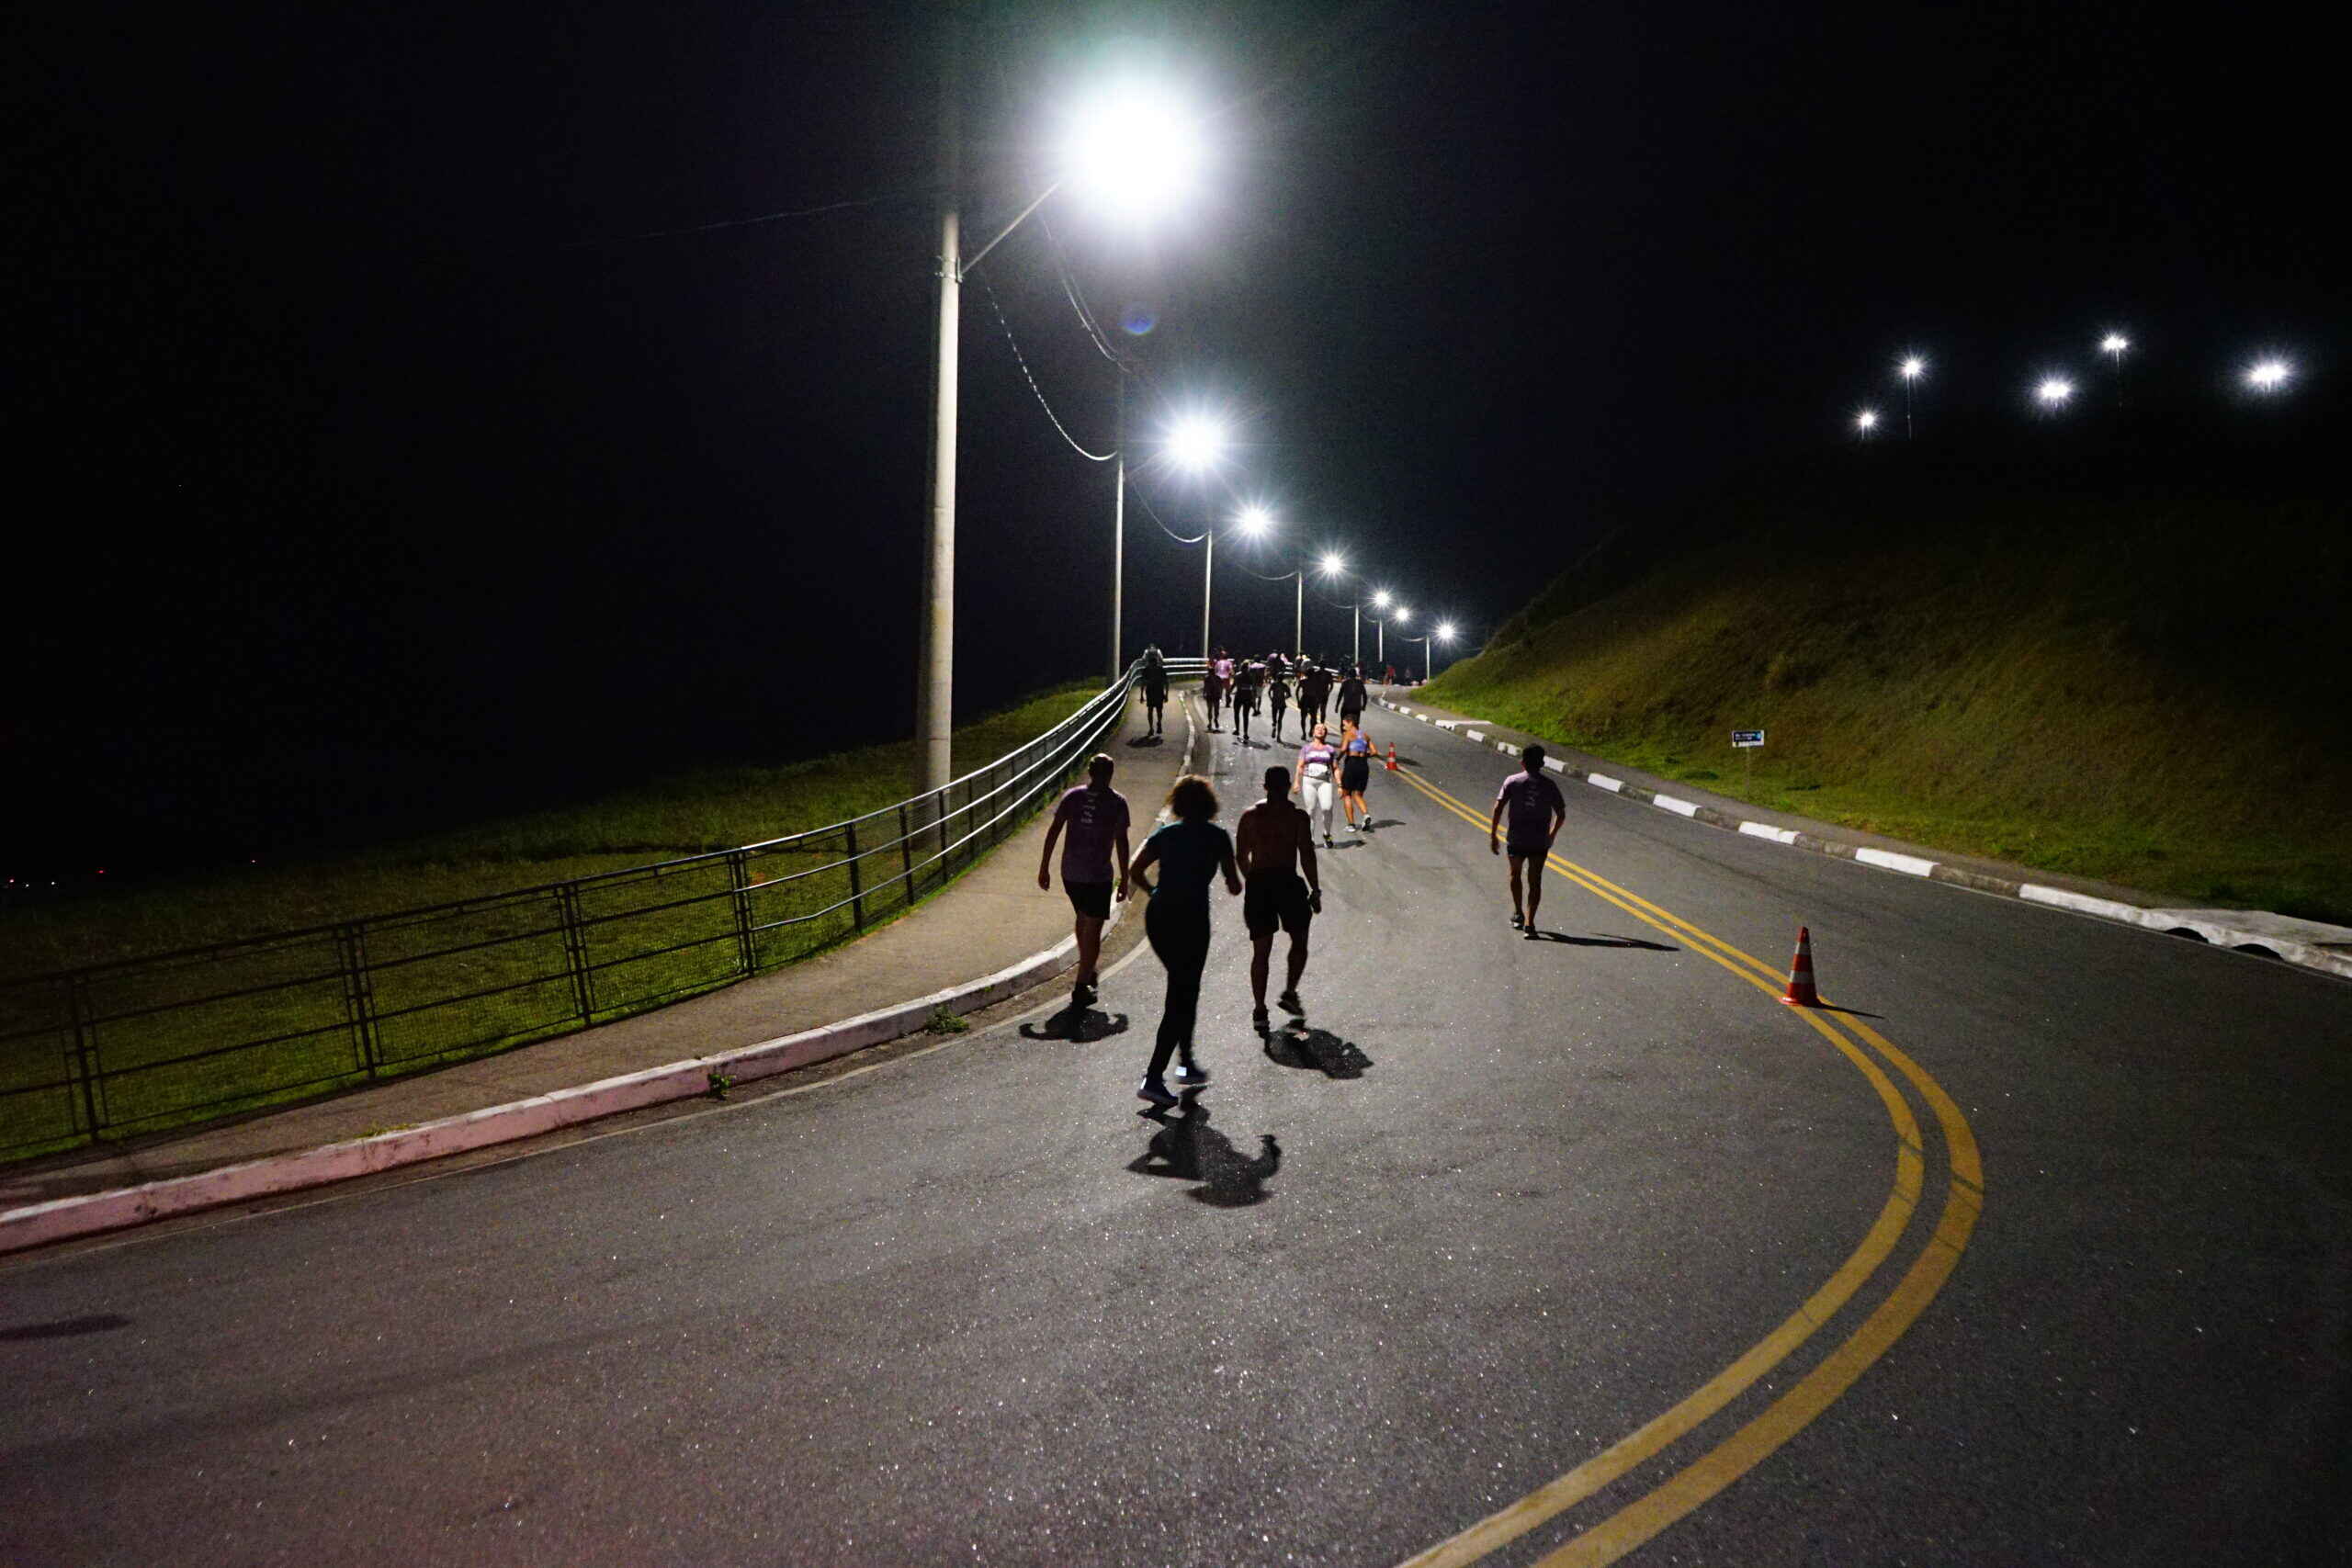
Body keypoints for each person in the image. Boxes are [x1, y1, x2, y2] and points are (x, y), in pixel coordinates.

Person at [1124, 774, 1241, 1105]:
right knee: (1182, 994)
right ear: (1209, 804)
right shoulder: (1218, 837)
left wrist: (1153, 891)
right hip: (1191, 919)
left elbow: (1134, 871)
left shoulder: (1166, 833)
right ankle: (1153, 1076)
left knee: (1184, 990)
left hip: (1160, 915)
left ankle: (1185, 1062)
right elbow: (1234, 885)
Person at [1038, 753, 1132, 1003]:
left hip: (1070, 873)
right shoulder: (1117, 802)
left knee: (1083, 919)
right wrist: (1125, 878)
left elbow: (1054, 830)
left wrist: (1044, 866)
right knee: (1093, 928)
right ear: (1110, 773)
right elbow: (1121, 842)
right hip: (1098, 875)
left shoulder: (1073, 796)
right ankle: (1082, 984)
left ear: (1090, 772)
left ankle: (1087, 967)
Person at [1235, 764, 1321, 1032]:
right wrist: (1314, 889)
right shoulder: (1297, 818)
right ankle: (1290, 991)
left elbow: (1240, 855)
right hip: (1287, 882)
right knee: (1300, 940)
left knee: (1261, 951)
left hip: (1260, 883)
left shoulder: (1250, 816)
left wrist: (1253, 879)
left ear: (1265, 786)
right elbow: (1306, 854)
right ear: (1286, 787)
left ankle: (1260, 1010)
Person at [1488, 744, 1569, 936]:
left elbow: (1499, 808)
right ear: (1542, 763)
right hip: (1539, 841)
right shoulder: (1550, 785)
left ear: (1522, 762)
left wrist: (1493, 835)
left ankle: (1518, 913)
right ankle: (1530, 924)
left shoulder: (1512, 781)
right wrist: (1551, 835)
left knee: (1515, 875)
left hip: (1516, 838)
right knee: (1535, 880)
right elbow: (1561, 814)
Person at [1294, 724, 1340, 847]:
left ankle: (1327, 834)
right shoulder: (1306, 748)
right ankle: (1310, 839)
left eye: (1323, 729)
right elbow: (1300, 766)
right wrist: (1296, 782)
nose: (1320, 730)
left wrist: (1340, 784)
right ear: (1313, 732)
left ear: (1326, 733)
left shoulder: (1330, 749)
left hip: (1325, 781)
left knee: (1327, 807)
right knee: (1310, 811)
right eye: (1317, 728)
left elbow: (1335, 768)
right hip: (1309, 781)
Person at [1339, 720, 1375, 834]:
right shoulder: (1365, 735)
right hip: (1363, 765)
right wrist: (1364, 756)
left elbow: (1344, 749)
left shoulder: (1348, 734)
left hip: (1352, 764)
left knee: (1347, 794)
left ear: (1351, 723)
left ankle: (1351, 825)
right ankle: (1366, 815)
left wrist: (1337, 758)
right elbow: (1374, 751)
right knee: (1358, 794)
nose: (1343, 726)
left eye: (1344, 724)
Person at [1139, 645, 1170, 738]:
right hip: (1159, 692)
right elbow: (1166, 683)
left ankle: (1152, 727)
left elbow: (1143, 683)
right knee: (1158, 711)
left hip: (1151, 692)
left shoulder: (1146, 670)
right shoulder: (1161, 670)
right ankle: (1157, 724)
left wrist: (1141, 695)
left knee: (1151, 710)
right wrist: (1166, 694)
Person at [1231, 656, 1262, 741]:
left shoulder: (1237, 675)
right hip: (1247, 695)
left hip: (1239, 694)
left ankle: (1237, 730)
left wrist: (1229, 693)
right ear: (1247, 668)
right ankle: (1245, 733)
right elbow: (1254, 688)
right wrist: (1253, 698)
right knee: (1245, 715)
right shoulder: (1251, 676)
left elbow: (1233, 685)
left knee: (1236, 713)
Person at [1298, 662, 1331, 730]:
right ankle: (1314, 728)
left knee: (1306, 716)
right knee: (1315, 715)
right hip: (1315, 697)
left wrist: (1299, 700)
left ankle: (1308, 730)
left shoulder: (1307, 679)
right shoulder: (1316, 678)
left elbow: (1297, 691)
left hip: (1309, 697)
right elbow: (1319, 690)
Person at [1266, 661, 1292, 742]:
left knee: (1274, 718)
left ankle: (1274, 726)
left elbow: (1269, 692)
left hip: (1275, 703)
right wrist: (1284, 698)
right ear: (1283, 678)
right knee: (1280, 720)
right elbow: (1289, 694)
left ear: (1277, 678)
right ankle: (1278, 736)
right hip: (1282, 703)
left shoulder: (1274, 684)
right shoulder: (1285, 686)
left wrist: (1271, 698)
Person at [1336, 666, 1368, 732]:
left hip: (1346, 707)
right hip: (1356, 708)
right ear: (1356, 675)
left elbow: (1340, 695)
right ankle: (1355, 738)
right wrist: (1364, 706)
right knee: (1356, 724)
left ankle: (1344, 736)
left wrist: (1337, 706)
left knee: (1343, 723)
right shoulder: (1360, 683)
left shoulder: (1345, 682)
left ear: (1348, 674)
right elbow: (1365, 695)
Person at [1202, 649, 1227, 732]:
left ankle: (1210, 722)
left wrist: (1204, 694)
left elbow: (1205, 687)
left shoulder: (1207, 678)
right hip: (1216, 695)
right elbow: (1221, 687)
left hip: (1210, 695)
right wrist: (1220, 694)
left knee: (1210, 710)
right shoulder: (1218, 678)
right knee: (1216, 709)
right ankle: (1215, 719)